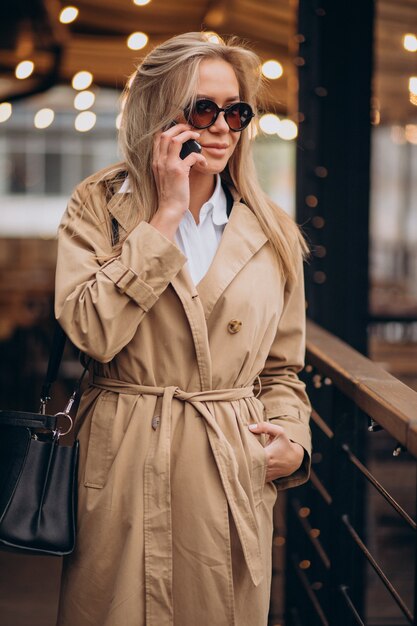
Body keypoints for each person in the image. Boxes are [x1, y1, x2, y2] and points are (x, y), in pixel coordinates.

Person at [54, 31, 312, 626]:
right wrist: (165, 216)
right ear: (158, 112)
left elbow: (282, 369)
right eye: (204, 109)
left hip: (227, 467)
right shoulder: (99, 206)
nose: (223, 126)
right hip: (122, 461)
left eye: (237, 111)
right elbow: (91, 331)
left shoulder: (272, 231)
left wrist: (292, 441)